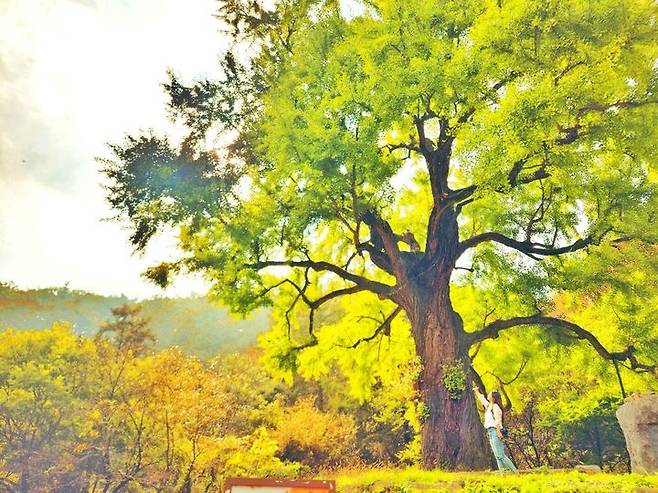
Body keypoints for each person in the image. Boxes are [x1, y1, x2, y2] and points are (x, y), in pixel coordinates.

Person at [472, 384, 518, 472]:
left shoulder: (496, 407)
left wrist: (498, 432)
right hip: (490, 431)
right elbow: (482, 399)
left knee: (501, 455)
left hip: (495, 431)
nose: (488, 395)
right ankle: (502, 475)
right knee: (497, 456)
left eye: (489, 394)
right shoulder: (490, 406)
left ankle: (516, 472)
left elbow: (497, 421)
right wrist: (476, 391)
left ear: (493, 397)